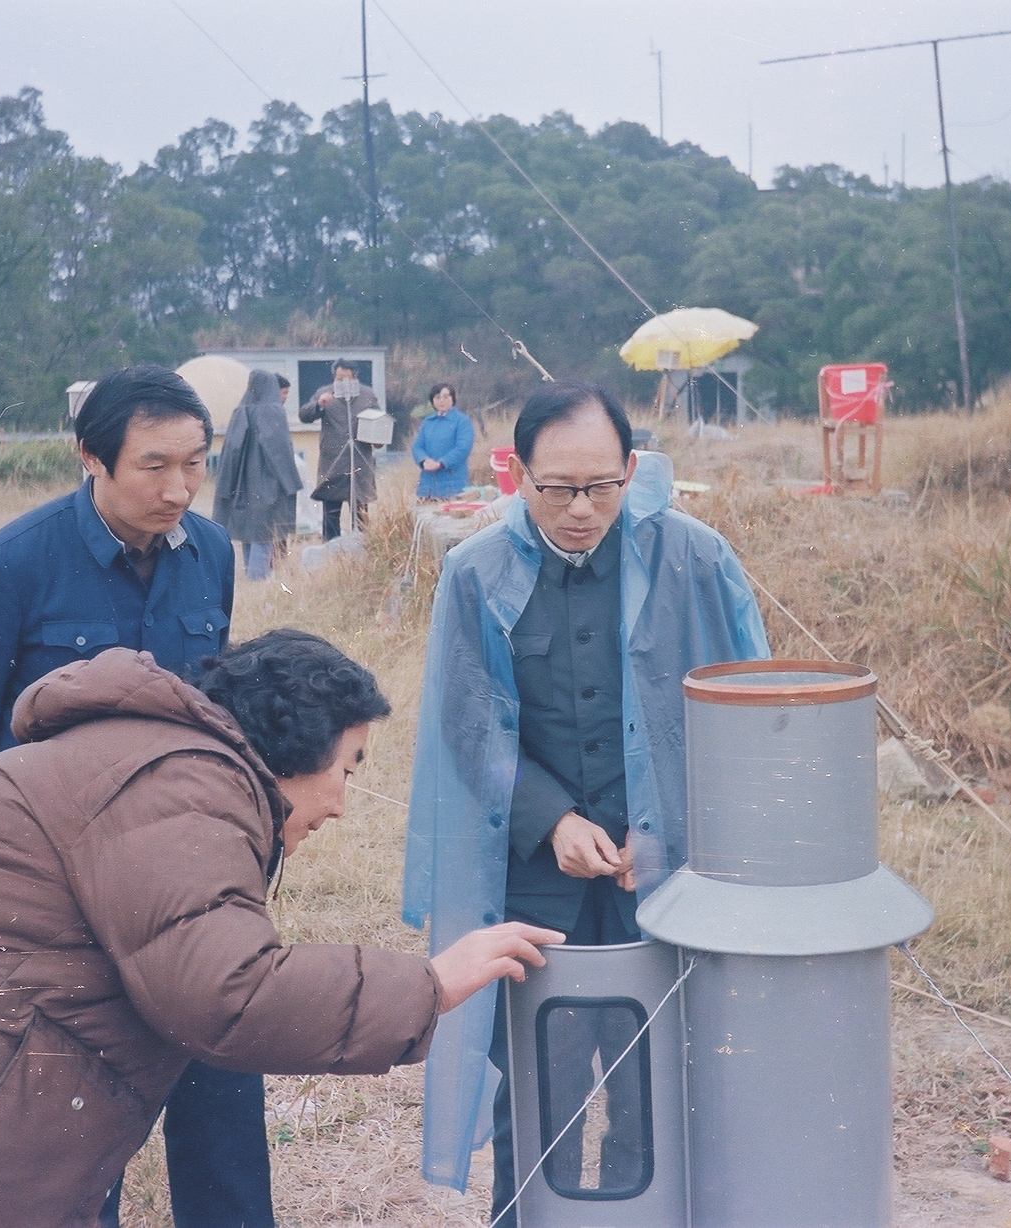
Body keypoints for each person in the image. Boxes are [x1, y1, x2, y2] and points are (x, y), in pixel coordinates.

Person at [0, 632, 564, 1228]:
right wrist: (432, 983)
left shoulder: (145, 760)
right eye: (347, 768)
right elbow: (225, 991)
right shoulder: (184, 780)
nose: (341, 801)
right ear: (289, 749)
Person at [400, 380, 769, 1220]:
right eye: (556, 488)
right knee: (538, 1090)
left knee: (664, 1086)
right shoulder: (476, 573)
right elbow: (465, 722)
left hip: (670, 879)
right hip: (536, 882)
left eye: (601, 486)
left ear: (632, 468)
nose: (579, 509)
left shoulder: (694, 560)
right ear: (514, 475)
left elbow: (742, 712)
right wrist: (551, 819)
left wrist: (665, 833)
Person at [0, 363, 263, 1228]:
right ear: (91, 459)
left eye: (195, 463)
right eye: (154, 465)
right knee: (68, 1121)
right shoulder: (5, 568)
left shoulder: (211, 555)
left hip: (188, 881)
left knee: (222, 1085)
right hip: (58, 894)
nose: (179, 488)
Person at [213, 369, 301, 581]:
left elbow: (230, 452)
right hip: (267, 484)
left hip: (242, 486)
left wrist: (225, 487)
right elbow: (279, 451)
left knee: (249, 536)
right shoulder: (272, 411)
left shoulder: (240, 411)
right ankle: (258, 585)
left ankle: (252, 581)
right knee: (264, 535)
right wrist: (291, 482)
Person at [298, 359, 379, 540]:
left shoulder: (368, 395)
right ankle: (330, 554)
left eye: (347, 379)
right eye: (338, 379)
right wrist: (319, 404)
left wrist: (378, 439)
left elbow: (378, 424)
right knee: (331, 515)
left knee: (361, 516)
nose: (342, 383)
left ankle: (362, 552)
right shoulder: (325, 393)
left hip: (360, 464)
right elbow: (304, 415)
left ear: (355, 377)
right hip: (333, 464)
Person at [410, 382, 476, 501]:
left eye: (446, 397)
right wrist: (423, 460)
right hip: (427, 485)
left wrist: (441, 463)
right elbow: (417, 446)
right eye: (437, 397)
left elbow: (463, 448)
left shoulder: (462, 421)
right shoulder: (428, 421)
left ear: (453, 398)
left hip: (454, 484)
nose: (442, 401)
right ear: (432, 401)